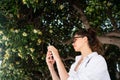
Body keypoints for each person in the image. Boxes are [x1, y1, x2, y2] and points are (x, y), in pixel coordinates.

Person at [46, 28, 111, 80]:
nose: (72, 43)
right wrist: (51, 67)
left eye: (75, 40)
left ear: (85, 39)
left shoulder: (97, 60)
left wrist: (57, 58)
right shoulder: (75, 64)